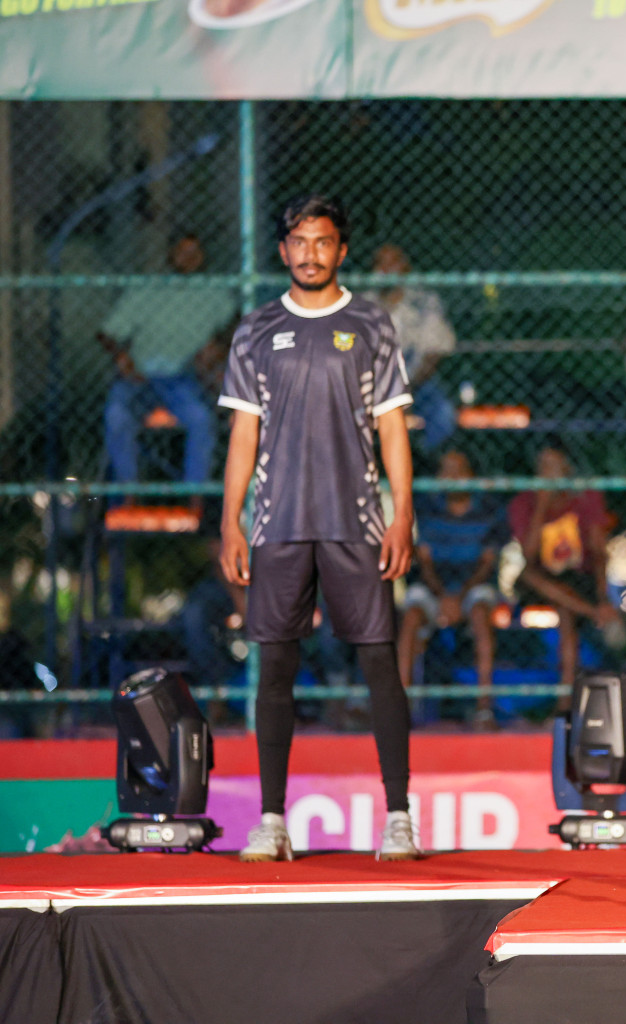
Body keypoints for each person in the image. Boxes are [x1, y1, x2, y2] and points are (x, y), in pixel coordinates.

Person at [218, 195, 419, 862]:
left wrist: (402, 511)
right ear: (283, 251)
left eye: (323, 242)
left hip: (355, 522)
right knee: (275, 667)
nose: (311, 253)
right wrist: (231, 521)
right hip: (276, 523)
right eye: (299, 242)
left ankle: (398, 818)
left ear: (341, 249)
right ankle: (272, 821)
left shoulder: (370, 324)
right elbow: (244, 433)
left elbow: (392, 425)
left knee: (379, 664)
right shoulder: (255, 330)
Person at [99, 232, 237, 489]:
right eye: (182, 251)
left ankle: (194, 495)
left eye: (195, 252)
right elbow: (106, 333)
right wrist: (121, 356)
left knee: (200, 419)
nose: (189, 258)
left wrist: (219, 346)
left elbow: (238, 324)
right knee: (116, 416)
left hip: (184, 378)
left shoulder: (214, 292)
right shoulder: (147, 289)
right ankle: (127, 494)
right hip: (141, 377)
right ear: (170, 255)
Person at [397, 450, 505, 728]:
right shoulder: (428, 507)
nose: (453, 477)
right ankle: (400, 707)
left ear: (471, 475)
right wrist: (444, 597)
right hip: (434, 587)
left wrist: (458, 597)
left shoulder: (488, 509)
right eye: (446, 470)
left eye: (459, 470)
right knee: (410, 619)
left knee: (481, 616)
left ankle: (484, 709)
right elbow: (425, 562)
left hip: (473, 586)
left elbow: (486, 564)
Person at [509, 446, 621, 690]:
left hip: (579, 577)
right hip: (541, 578)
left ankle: (565, 697)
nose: (549, 473)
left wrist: (603, 595)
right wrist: (541, 505)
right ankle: (594, 613)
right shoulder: (524, 502)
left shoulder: (586, 497)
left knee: (566, 611)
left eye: (554, 466)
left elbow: (599, 553)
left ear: (568, 469)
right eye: (543, 467)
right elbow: (528, 556)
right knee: (529, 575)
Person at [364, 244, 459, 451]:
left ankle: (431, 463)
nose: (387, 269)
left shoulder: (424, 302)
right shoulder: (362, 305)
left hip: (417, 383)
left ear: (405, 267)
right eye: (381, 263)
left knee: (443, 412)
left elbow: (434, 352)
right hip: (371, 386)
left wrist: (407, 391)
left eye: (393, 262)